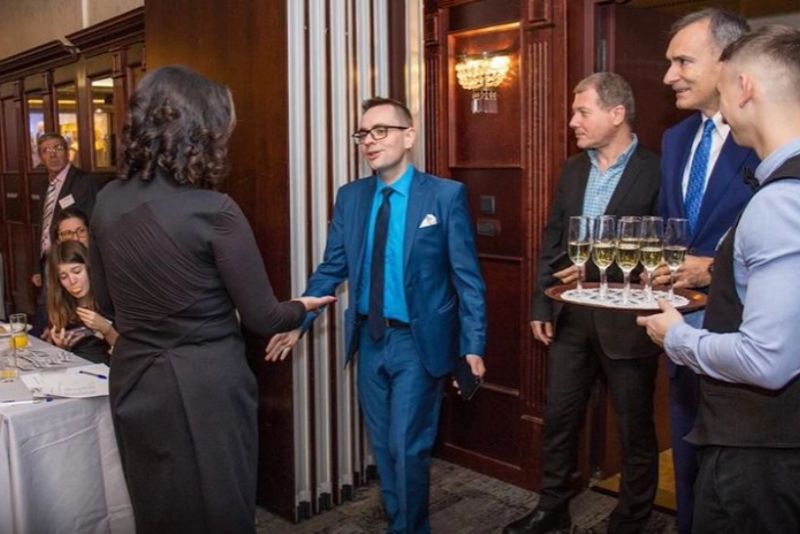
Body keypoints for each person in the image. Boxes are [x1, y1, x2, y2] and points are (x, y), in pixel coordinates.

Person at [88, 65, 334, 533]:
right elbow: (264, 317)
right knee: (220, 510)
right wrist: (304, 305)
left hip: (135, 376)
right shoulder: (214, 211)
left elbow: (107, 303)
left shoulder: (106, 201)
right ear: (200, 132)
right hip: (206, 384)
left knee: (158, 511)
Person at [265, 97, 487, 533]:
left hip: (418, 343)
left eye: (380, 131)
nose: (369, 141)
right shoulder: (351, 198)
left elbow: (467, 279)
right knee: (384, 446)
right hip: (369, 339)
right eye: (363, 133)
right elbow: (332, 269)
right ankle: (400, 520)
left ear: (409, 136)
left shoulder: (444, 196)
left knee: (407, 445)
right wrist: (297, 321)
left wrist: (473, 344)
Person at [638, 25, 800, 533]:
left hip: (761, 450)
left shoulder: (779, 201)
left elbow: (767, 360)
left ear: (743, 87)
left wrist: (676, 337)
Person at [504, 73, 661, 534]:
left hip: (627, 321)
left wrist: (595, 270)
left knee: (634, 429)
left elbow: (663, 248)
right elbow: (553, 238)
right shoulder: (574, 169)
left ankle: (630, 521)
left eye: (582, 112)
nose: (573, 121)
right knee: (559, 419)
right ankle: (552, 509)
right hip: (571, 316)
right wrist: (541, 303)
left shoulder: (658, 170)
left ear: (617, 114)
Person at [652, 10, 759, 532]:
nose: (668, 75)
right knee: (688, 464)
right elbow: (671, 228)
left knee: (739, 485)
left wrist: (713, 269)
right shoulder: (675, 139)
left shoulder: (769, 134)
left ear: (727, 60)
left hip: (748, 341)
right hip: (680, 330)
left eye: (683, 61)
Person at [31, 133, 97, 337]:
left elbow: (90, 223)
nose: (53, 155)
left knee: (56, 314)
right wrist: (37, 267)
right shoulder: (44, 185)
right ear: (40, 157)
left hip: (73, 259)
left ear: (68, 152)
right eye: (46, 151)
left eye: (58, 148)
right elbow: (43, 227)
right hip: (49, 259)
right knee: (48, 309)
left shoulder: (83, 181)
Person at [45, 240, 116, 364]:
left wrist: (106, 329)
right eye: (63, 277)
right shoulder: (62, 304)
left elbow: (130, 351)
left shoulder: (110, 300)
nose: (72, 281)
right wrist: (63, 347)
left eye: (77, 271)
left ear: (89, 269)